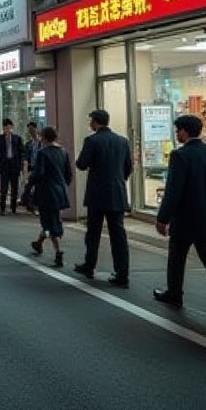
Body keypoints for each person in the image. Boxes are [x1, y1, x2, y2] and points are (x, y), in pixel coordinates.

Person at [151, 115, 206, 318]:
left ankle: (174, 293)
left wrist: (162, 217)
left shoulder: (179, 155)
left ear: (184, 131)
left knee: (177, 256)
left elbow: (173, 190)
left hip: (185, 217)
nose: (177, 134)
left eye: (177, 131)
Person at [74, 109, 133, 286]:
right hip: (117, 192)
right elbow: (128, 167)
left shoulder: (92, 141)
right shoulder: (122, 141)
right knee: (118, 235)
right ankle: (122, 273)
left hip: (97, 193)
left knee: (93, 232)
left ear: (95, 122)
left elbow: (82, 164)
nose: (89, 124)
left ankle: (89, 265)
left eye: (90, 121)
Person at [28, 127, 73, 267]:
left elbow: (38, 174)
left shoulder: (43, 153)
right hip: (59, 191)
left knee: (49, 222)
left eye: (41, 137)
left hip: (46, 192)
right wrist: (61, 184)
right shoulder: (63, 152)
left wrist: (30, 182)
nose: (40, 139)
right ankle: (38, 243)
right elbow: (68, 175)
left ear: (45, 138)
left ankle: (59, 251)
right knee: (52, 219)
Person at [0, 118, 24, 215]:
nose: (7, 129)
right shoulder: (0, 139)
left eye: (9, 127)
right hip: (4, 166)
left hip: (14, 165)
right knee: (4, 188)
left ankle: (13, 207)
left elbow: (21, 152)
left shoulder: (17, 138)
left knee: (14, 187)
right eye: (5, 127)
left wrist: (21, 166)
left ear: (12, 127)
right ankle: (2, 207)